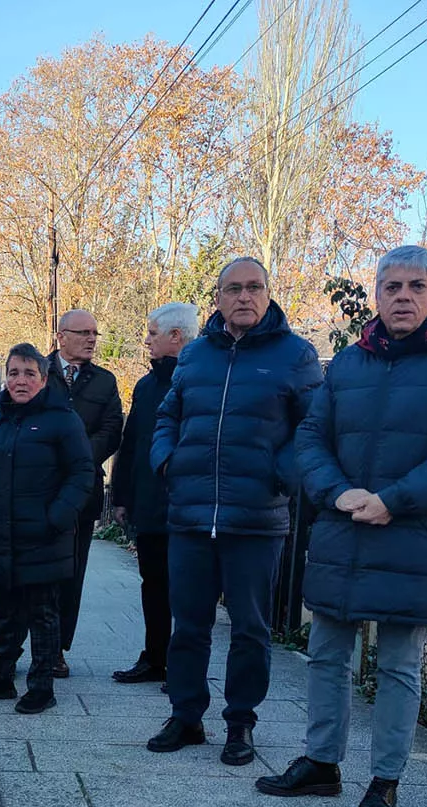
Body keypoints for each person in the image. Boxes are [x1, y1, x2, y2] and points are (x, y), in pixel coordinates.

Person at [256, 245, 427, 807]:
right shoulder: (348, 363)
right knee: (325, 654)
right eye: (391, 286)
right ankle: (321, 762)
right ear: (376, 293)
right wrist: (336, 492)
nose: (403, 296)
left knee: (397, 664)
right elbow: (312, 437)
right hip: (344, 525)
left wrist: (393, 500)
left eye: (417, 286)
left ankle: (385, 780)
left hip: (415, 533)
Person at [147, 257, 323, 764]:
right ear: (218, 297)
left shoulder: (296, 355)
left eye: (254, 288)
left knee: (250, 628)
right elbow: (168, 415)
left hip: (256, 518)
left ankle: (240, 723)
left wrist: (280, 475)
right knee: (189, 624)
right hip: (191, 513)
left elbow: (312, 429)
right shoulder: (195, 355)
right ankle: (185, 715)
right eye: (233, 289)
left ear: (268, 294)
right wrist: (167, 461)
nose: (244, 297)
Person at [0, 343, 94, 714]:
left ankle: (41, 686)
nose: (20, 380)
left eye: (29, 373)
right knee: (4, 613)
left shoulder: (62, 419)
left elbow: (82, 473)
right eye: (14, 373)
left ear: (44, 378)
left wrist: (57, 517)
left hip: (43, 539)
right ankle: (0, 678)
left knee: (43, 615)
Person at [108, 302, 199, 686]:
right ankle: (155, 657)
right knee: (153, 585)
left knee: (187, 592)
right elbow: (131, 445)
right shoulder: (145, 386)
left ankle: (182, 666)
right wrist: (121, 497)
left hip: (185, 506)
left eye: (152, 333)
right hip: (147, 505)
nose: (146, 340)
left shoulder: (199, 380)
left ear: (176, 336)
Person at [46, 309, 123, 679]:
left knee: (71, 572)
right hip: (39, 490)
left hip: (81, 494)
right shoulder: (37, 372)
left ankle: (57, 649)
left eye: (96, 332)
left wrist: (78, 457)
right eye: (84, 333)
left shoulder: (105, 382)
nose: (92, 339)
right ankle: (22, 644)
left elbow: (112, 430)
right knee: (30, 572)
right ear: (62, 336)